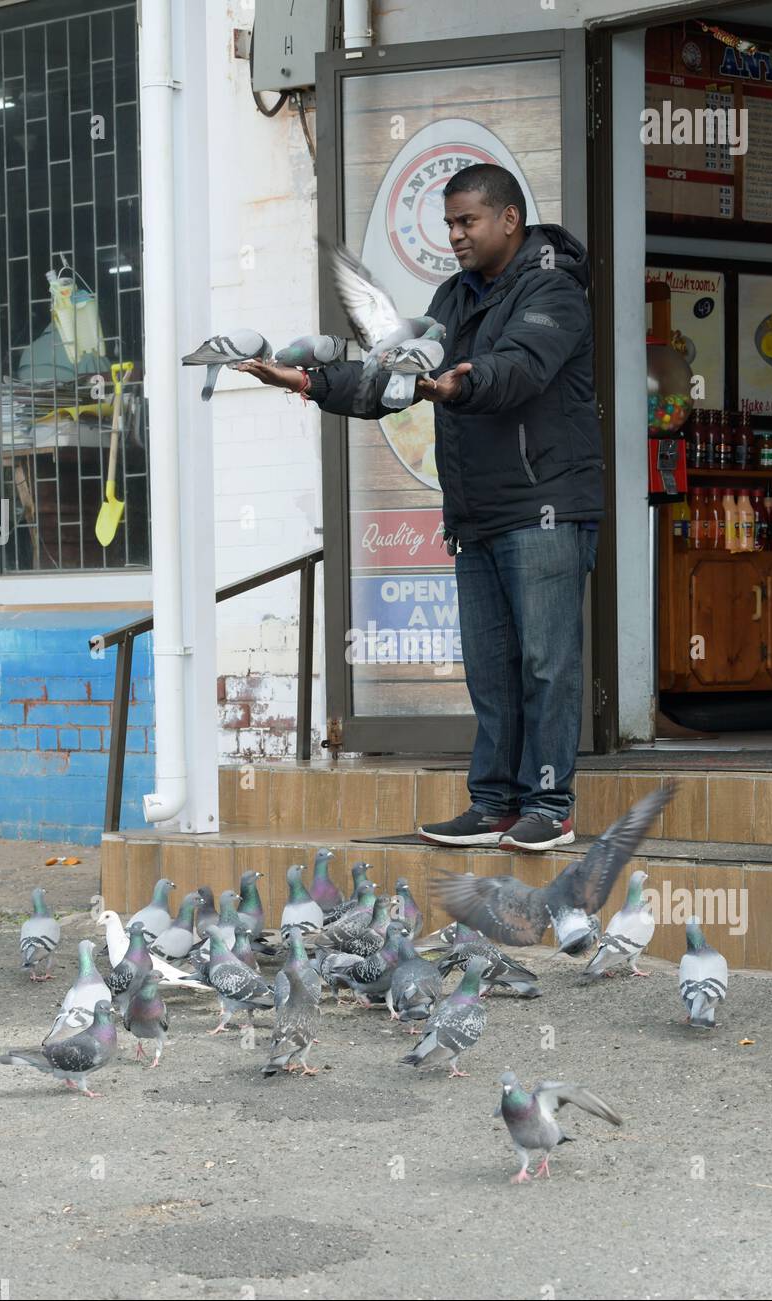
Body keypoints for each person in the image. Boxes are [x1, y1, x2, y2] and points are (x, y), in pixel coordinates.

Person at [237, 164, 603, 852]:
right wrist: (306, 381)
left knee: (546, 665)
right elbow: (391, 376)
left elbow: (519, 367)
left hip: (544, 507)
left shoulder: (553, 288)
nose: (455, 235)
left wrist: (463, 382)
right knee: (491, 671)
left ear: (509, 220)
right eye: (448, 223)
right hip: (476, 512)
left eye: (467, 221)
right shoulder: (453, 297)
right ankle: (493, 805)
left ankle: (550, 806)